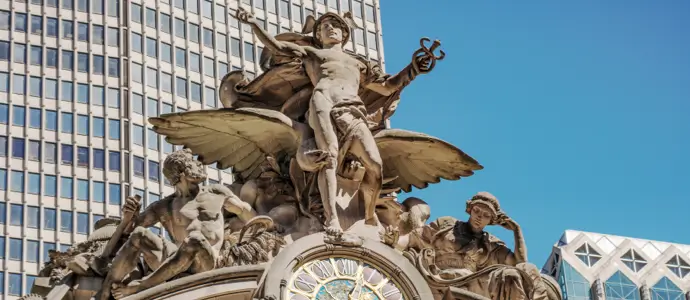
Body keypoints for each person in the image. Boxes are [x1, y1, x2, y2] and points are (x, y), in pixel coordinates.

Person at [235, 7, 430, 236]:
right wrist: (254, 23)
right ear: (318, 36)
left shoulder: (359, 64)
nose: (330, 28)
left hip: (353, 109)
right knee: (329, 157)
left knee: (375, 164)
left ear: (344, 34)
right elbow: (278, 47)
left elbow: (387, 87)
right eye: (324, 26)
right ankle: (332, 219)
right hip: (323, 102)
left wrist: (413, 69)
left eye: (335, 25)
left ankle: (368, 215)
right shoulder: (312, 54)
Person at [104, 149, 256, 299]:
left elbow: (251, 217)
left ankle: (141, 286)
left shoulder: (216, 192)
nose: (199, 163)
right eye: (193, 161)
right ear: (182, 171)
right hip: (175, 262)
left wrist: (241, 209)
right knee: (139, 234)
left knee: (194, 239)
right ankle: (104, 294)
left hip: (207, 262)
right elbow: (128, 231)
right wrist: (128, 217)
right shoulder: (164, 206)